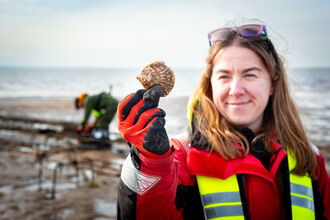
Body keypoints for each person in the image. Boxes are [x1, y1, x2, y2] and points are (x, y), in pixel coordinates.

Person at [116, 24, 330, 219]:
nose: (235, 90)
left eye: (250, 75)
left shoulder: (309, 158)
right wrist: (148, 161)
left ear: (273, 83)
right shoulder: (180, 155)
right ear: (210, 85)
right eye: (224, 76)